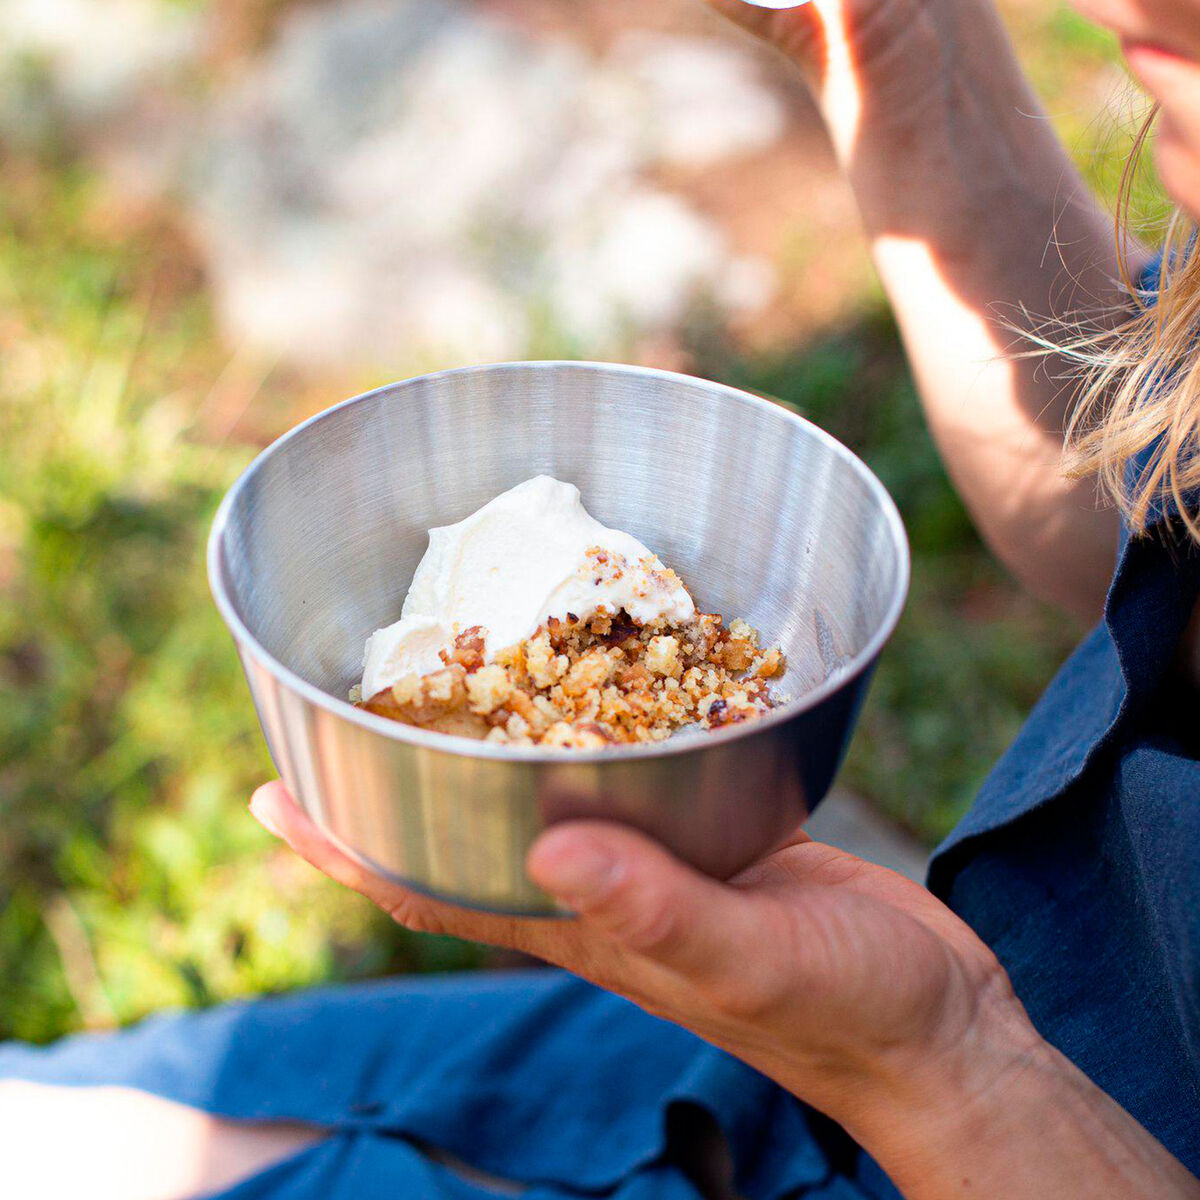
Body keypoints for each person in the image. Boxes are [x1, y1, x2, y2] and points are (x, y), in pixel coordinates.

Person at [3, 0, 1199, 1196]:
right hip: (831, 1069)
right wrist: (891, 39)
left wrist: (949, 1073)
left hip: (961, 1116)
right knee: (51, 1113)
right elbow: (1132, 504)